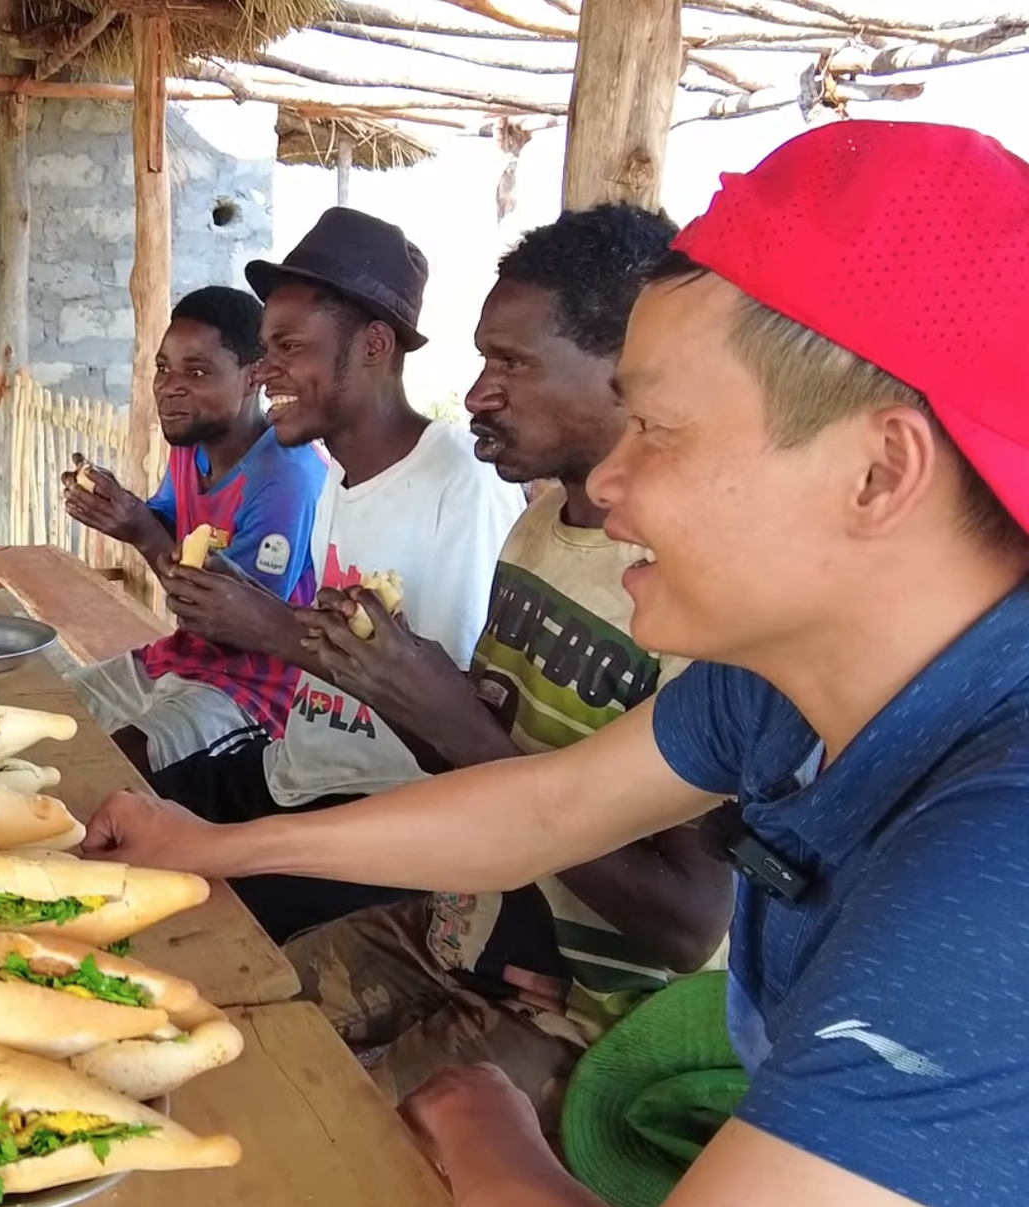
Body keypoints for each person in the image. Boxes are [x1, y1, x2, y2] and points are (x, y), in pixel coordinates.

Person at [84, 121, 1029, 1207]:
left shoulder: (993, 865)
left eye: (660, 430)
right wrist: (215, 843)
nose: (609, 480)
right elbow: (548, 804)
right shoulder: (783, 678)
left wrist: (486, 1138)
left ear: (876, 472)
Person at [280, 204, 733, 1132]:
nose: (479, 392)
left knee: (326, 1140)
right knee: (240, 1016)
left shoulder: (693, 589)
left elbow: (687, 924)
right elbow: (483, 751)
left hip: (580, 1010)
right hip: (466, 923)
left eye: (512, 363)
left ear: (626, 368)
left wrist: (454, 724)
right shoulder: (539, 526)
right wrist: (391, 682)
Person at [144, 208, 526, 942]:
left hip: (382, 813)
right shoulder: (334, 482)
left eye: (289, 347)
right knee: (113, 810)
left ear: (375, 345)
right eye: (263, 351)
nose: (266, 372)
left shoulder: (460, 483)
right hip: (293, 770)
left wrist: (273, 629)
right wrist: (238, 603)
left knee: (190, 922)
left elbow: (444, 712)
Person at [60, 285, 323, 772]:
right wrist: (116, 504)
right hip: (179, 658)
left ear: (253, 377)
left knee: (115, 766)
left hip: (258, 690)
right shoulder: (192, 444)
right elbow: (164, 522)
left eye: (197, 372)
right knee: (49, 720)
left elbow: (233, 623)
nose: (168, 386)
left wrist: (139, 530)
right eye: (163, 368)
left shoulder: (285, 475)